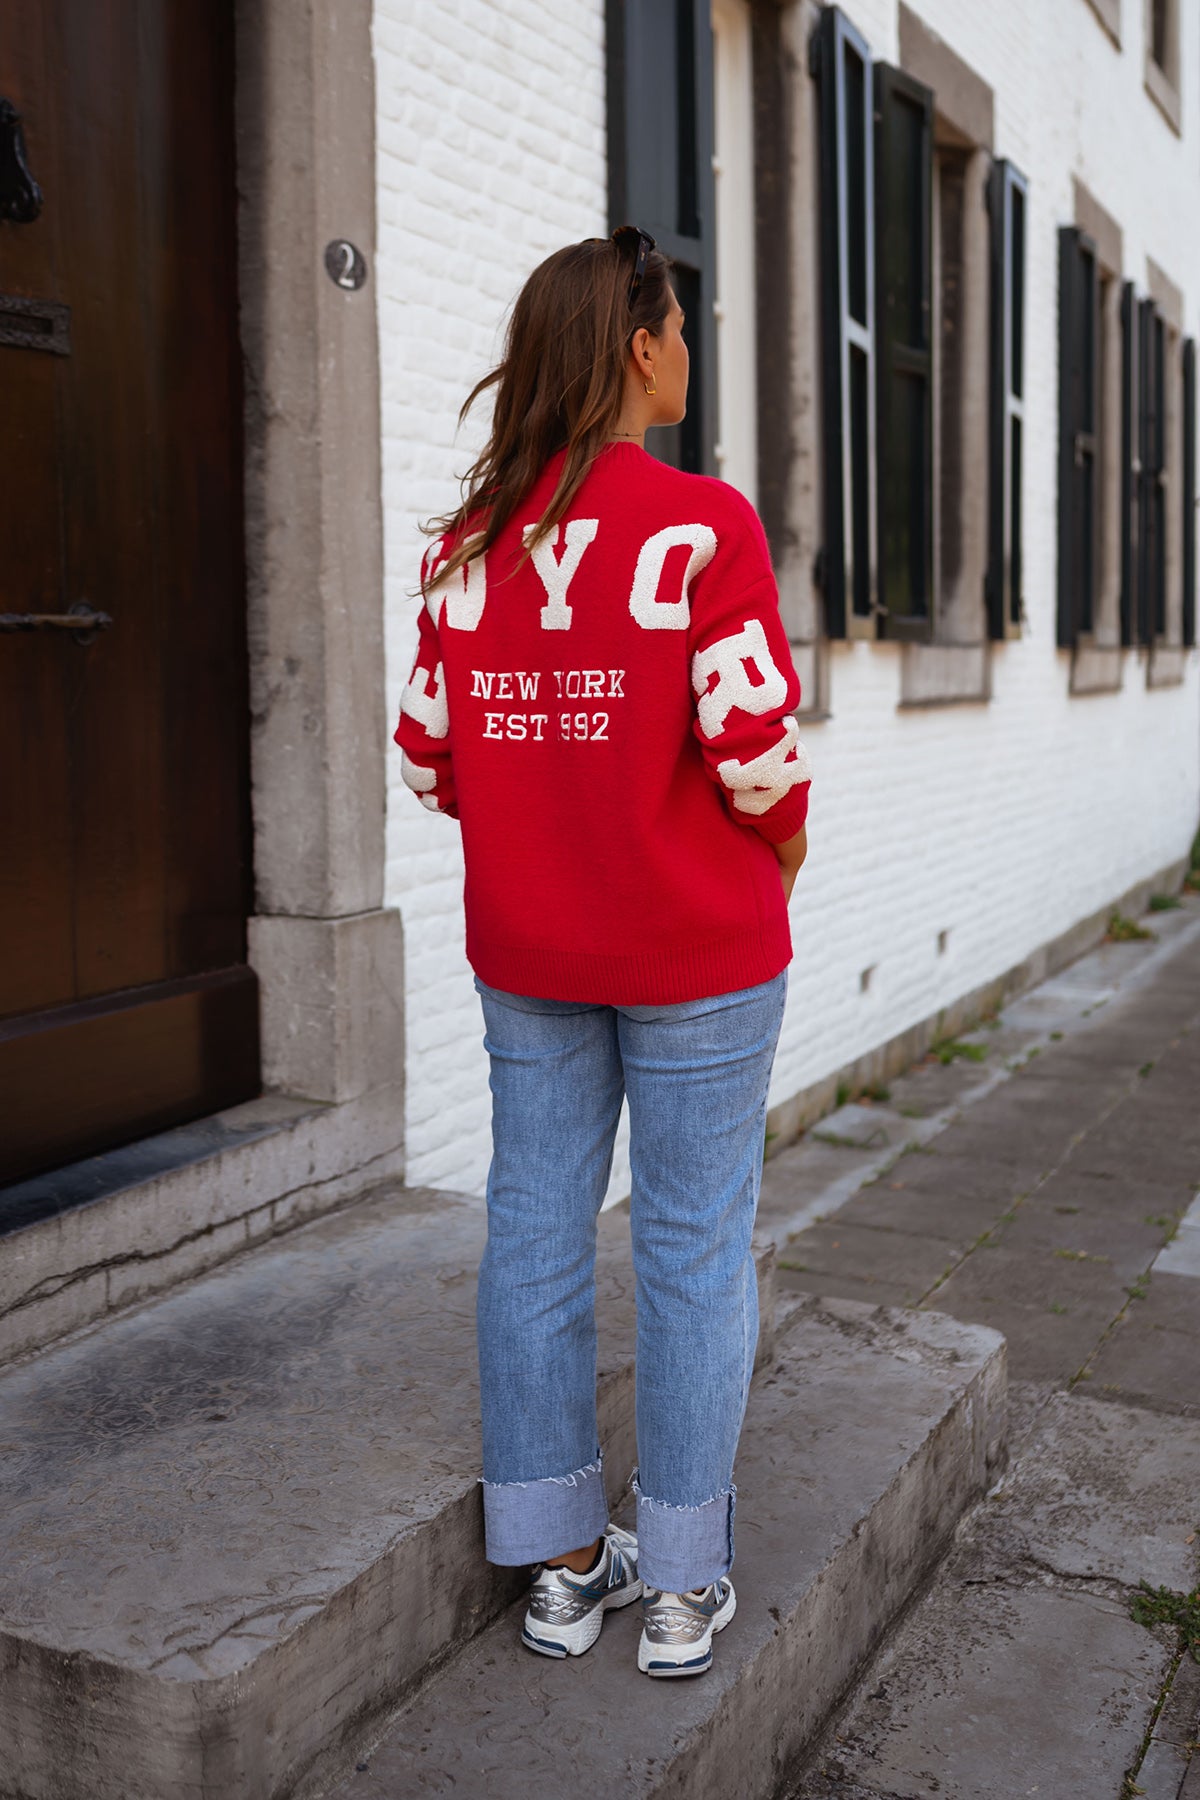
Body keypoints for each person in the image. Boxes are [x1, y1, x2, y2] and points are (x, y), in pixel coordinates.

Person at [394, 225, 810, 1679]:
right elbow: (753, 752)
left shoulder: (466, 546)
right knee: (694, 1252)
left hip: (531, 946)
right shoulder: (703, 527)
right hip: (695, 944)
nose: (687, 348)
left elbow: (431, 759)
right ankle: (685, 1583)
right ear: (640, 348)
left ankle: (566, 1568)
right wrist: (785, 850)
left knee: (533, 1229)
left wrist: (538, 820)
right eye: (680, 326)